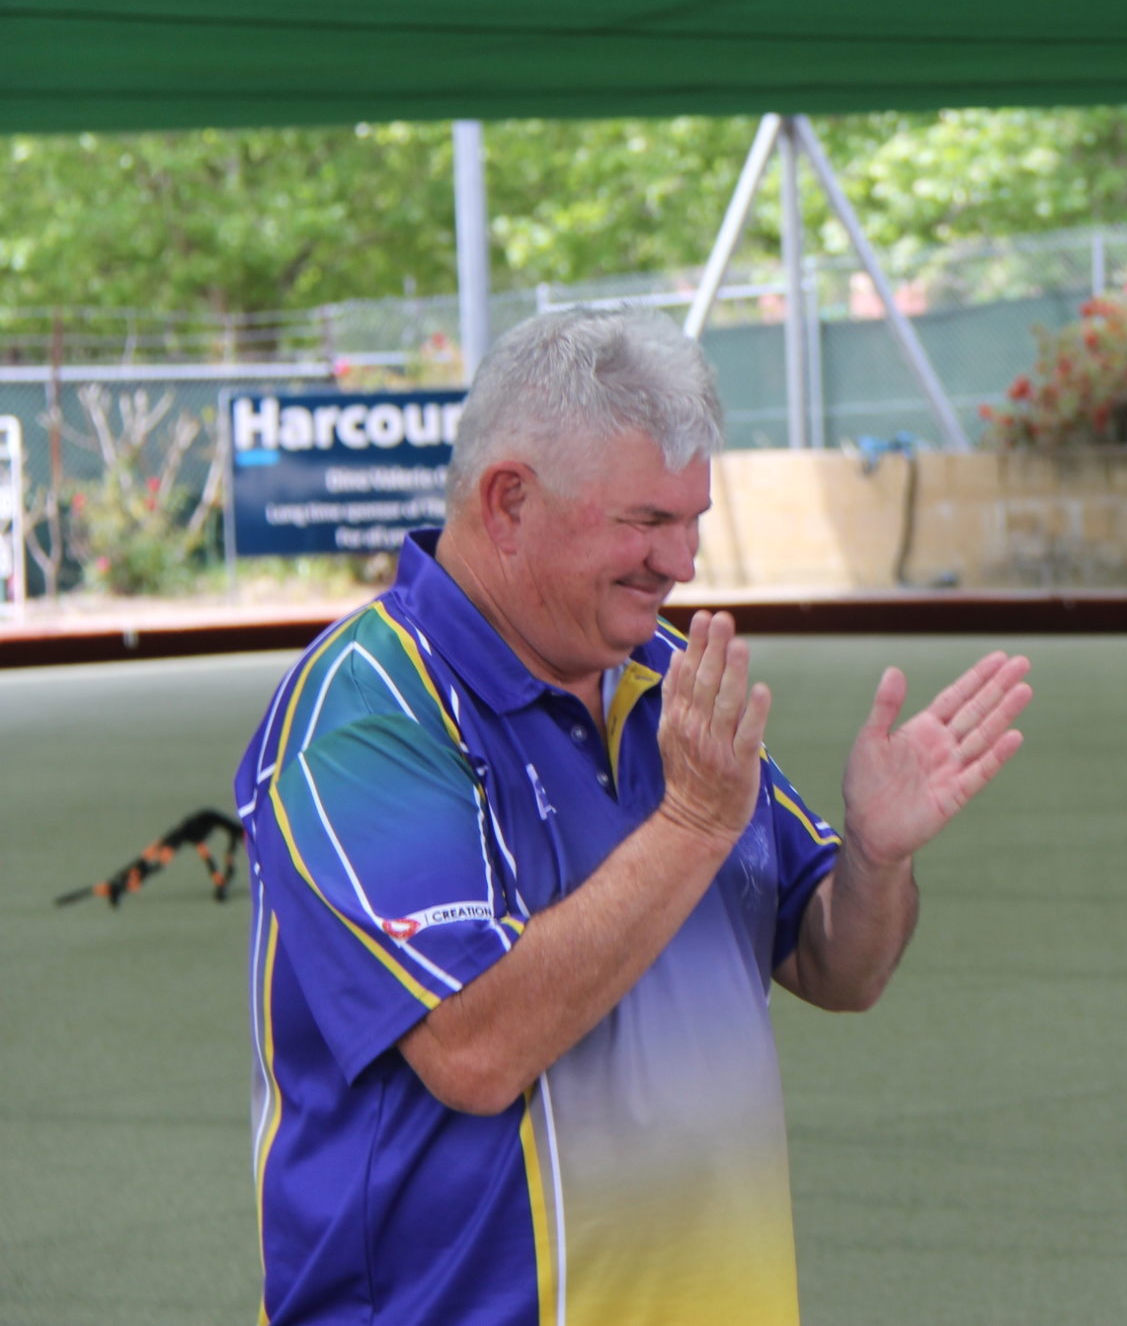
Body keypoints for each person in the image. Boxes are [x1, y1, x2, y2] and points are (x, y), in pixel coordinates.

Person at [235, 308, 1032, 1326]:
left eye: (694, 520)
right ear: (509, 501)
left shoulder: (667, 677)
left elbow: (840, 967)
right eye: (647, 521)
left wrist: (874, 858)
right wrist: (691, 825)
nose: (682, 561)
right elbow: (474, 1047)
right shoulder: (367, 708)